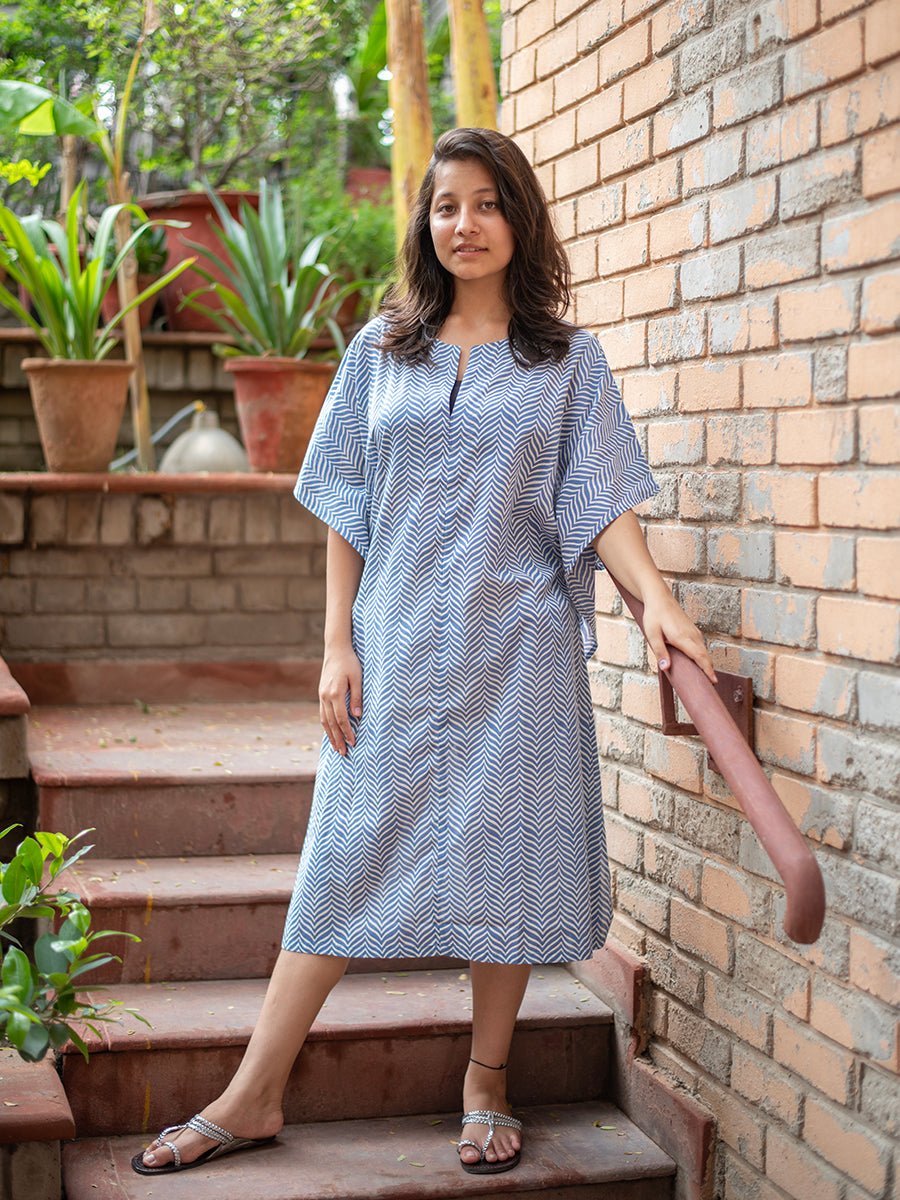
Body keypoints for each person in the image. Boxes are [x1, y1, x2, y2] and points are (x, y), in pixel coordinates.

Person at [132, 127, 715, 1179]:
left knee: (508, 859)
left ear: (519, 219)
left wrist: (659, 601)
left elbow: (601, 500)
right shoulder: (380, 351)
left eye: (487, 203)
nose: (466, 223)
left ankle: (487, 1080)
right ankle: (255, 1090)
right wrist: (335, 645)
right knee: (342, 856)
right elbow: (346, 504)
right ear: (425, 222)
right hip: (394, 644)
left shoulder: (569, 363)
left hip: (519, 654)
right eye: (447, 205)